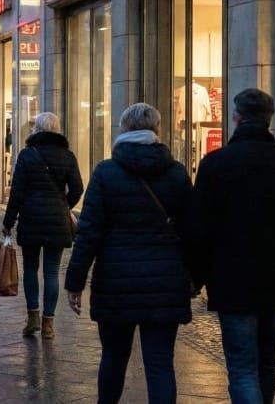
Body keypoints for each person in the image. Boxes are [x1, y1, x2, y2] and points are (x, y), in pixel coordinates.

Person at [191, 88, 275, 404]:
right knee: (266, 360)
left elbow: (199, 228)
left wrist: (195, 278)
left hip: (231, 280)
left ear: (236, 117)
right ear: (270, 119)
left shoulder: (216, 164)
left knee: (241, 367)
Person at [65, 103, 195, 404]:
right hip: (164, 280)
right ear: (157, 130)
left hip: (115, 280)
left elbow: (89, 232)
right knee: (160, 362)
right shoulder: (175, 173)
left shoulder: (106, 172)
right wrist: (193, 278)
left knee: (113, 357)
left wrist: (75, 281)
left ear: (123, 129)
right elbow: (193, 231)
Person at [2, 111, 83, 339]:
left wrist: (9, 222)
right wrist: (63, 204)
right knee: (51, 271)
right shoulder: (67, 155)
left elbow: (17, 192)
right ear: (57, 129)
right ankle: (49, 324)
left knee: (30, 268)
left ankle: (33, 317)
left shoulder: (27, 155)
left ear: (36, 129)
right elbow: (77, 188)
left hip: (31, 218)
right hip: (57, 220)